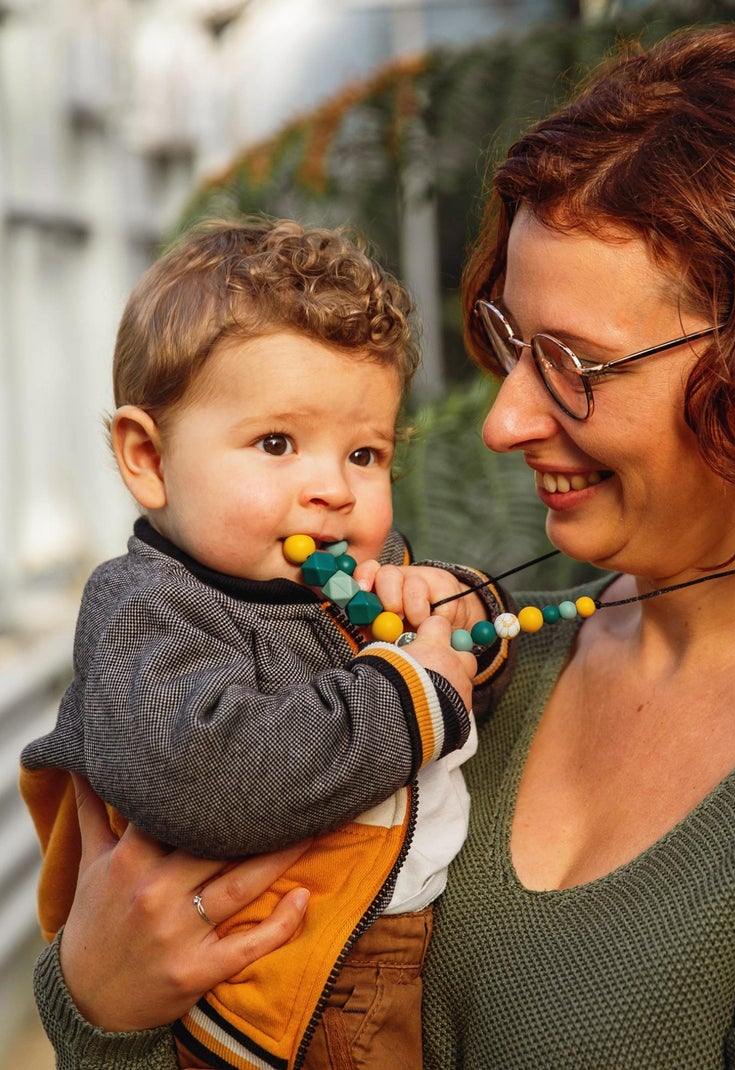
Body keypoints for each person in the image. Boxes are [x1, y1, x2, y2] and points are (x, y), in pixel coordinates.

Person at [27, 20, 735, 1068]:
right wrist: (99, 1002)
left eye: (572, 362)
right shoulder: (487, 657)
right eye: (508, 342)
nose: (502, 419)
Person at [19, 218, 513, 1070]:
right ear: (149, 458)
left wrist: (453, 615)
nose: (331, 489)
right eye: (277, 443)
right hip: (263, 1004)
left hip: (369, 963)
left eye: (366, 453)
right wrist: (409, 695)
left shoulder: (349, 578)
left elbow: (451, 691)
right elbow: (203, 779)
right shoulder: (149, 608)